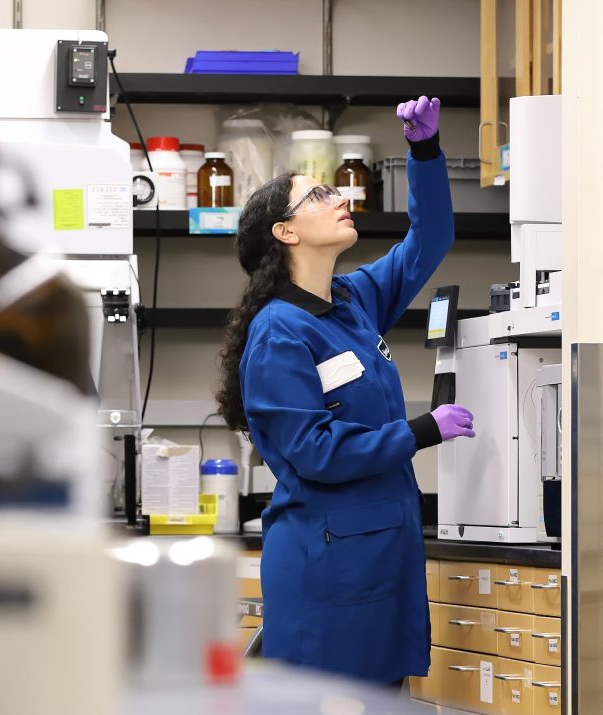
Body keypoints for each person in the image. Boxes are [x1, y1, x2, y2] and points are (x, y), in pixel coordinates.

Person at [215, 96, 476, 686]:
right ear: (285, 232)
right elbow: (314, 449)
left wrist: (425, 152)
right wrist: (420, 431)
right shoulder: (279, 332)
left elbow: (429, 238)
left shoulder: (354, 301)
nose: (341, 198)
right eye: (318, 195)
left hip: (382, 554)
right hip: (325, 564)